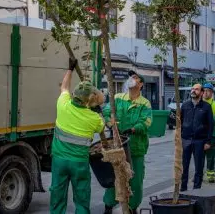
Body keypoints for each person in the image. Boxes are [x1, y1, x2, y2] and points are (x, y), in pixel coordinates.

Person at [50, 58, 105, 214]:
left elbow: (64, 87)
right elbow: (102, 126)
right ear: (89, 100)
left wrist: (70, 69)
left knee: (57, 195)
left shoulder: (63, 105)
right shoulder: (93, 118)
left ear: (75, 95)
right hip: (79, 163)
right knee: (81, 198)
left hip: (59, 161)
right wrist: (98, 109)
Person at [103, 71, 153, 214]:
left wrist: (132, 129)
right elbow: (107, 111)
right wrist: (110, 123)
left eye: (136, 78)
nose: (132, 79)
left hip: (136, 147)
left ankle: (132, 207)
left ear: (141, 84)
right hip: (117, 146)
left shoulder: (145, 103)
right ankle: (108, 205)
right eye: (131, 77)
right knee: (114, 177)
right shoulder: (118, 98)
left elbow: (147, 122)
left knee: (135, 180)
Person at [180, 84, 214, 191]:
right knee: (184, 167)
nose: (194, 91)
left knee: (199, 167)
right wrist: (179, 138)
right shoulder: (185, 105)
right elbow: (180, 122)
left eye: (197, 89)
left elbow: (210, 125)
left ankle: (196, 190)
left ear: (202, 92)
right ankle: (183, 189)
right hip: (185, 140)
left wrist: (208, 141)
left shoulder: (206, 107)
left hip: (200, 141)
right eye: (193, 89)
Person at [201, 83, 215, 184]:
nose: (206, 92)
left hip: (212, 135)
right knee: (199, 157)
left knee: (210, 157)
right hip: (199, 136)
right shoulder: (198, 104)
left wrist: (208, 120)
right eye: (204, 90)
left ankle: (210, 176)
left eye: (208, 90)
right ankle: (199, 175)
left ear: (211, 92)